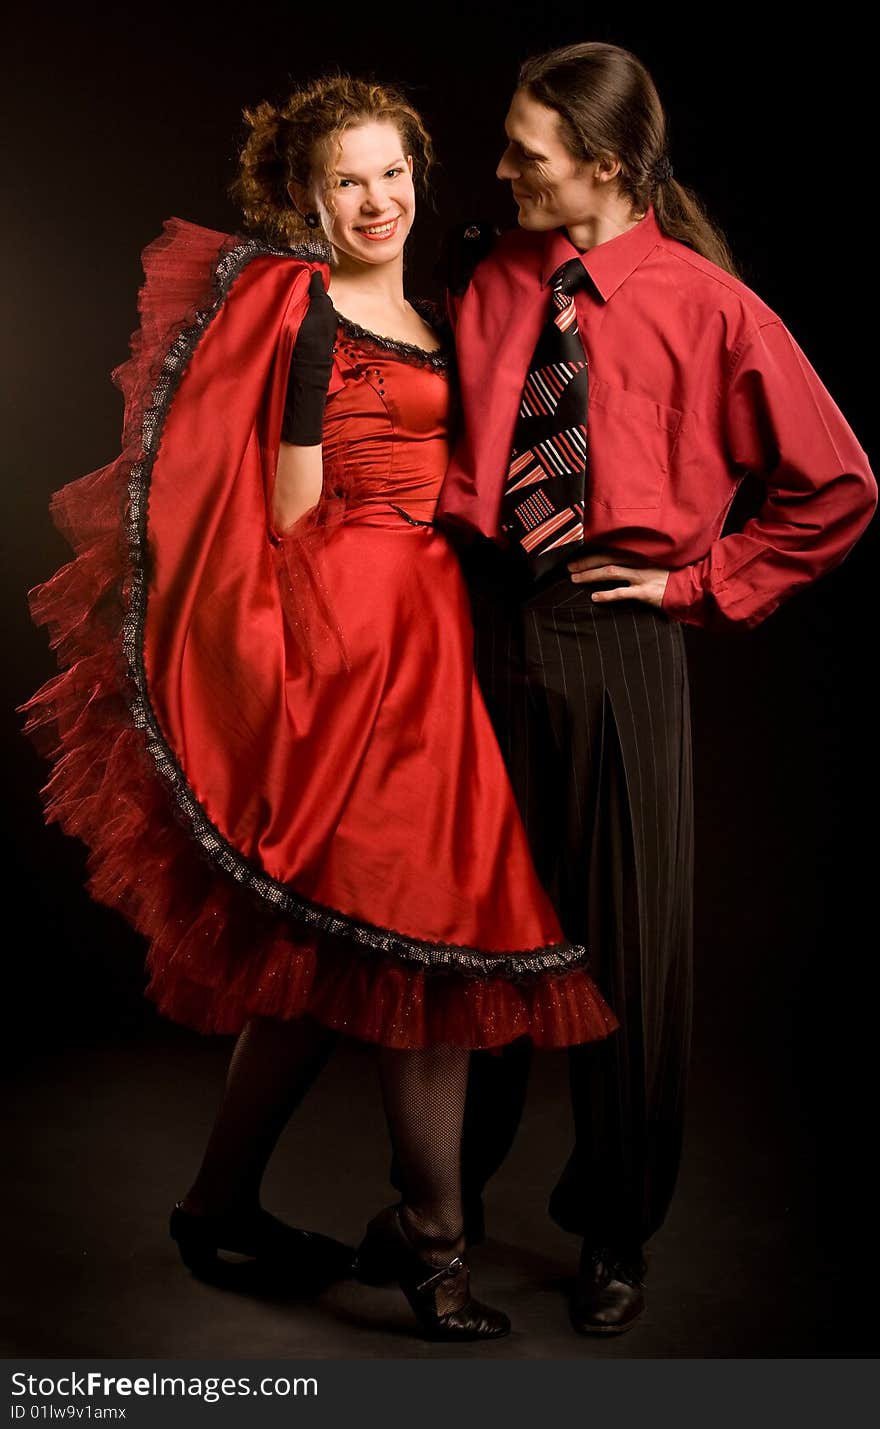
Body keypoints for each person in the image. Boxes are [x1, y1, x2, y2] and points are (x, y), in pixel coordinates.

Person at [20, 74, 617, 1345]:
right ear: (304, 194)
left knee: (330, 958)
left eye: (392, 172)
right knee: (418, 932)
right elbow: (288, 513)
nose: (376, 199)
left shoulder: (438, 309)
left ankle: (219, 1200)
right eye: (347, 179)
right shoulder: (300, 314)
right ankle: (435, 1247)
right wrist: (333, 645)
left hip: (431, 636)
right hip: (357, 645)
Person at [435, 41, 877, 1335]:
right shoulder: (494, 273)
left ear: (608, 165)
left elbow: (837, 487)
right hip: (486, 627)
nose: (504, 165)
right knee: (478, 943)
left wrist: (698, 587)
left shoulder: (708, 307)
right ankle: (443, 1205)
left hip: (620, 635)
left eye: (529, 149)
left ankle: (614, 1228)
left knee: (623, 957)